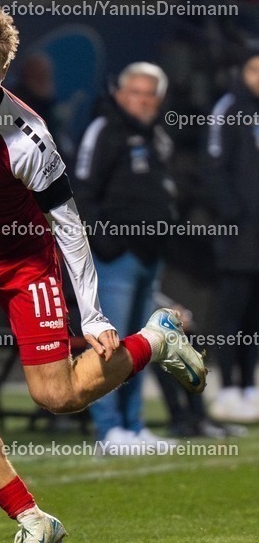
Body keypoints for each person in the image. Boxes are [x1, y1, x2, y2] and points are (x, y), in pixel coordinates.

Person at [0, 3, 206, 543]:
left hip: (20, 265)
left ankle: (154, 340)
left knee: (57, 396)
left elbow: (67, 222)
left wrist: (94, 315)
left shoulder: (26, 136)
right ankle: (33, 518)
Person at [73, 62, 180, 452]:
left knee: (141, 345)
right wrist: (104, 243)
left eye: (149, 93)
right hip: (115, 257)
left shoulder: (156, 137)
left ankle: (133, 426)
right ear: (119, 94)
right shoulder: (103, 130)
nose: (142, 100)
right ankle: (109, 429)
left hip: (149, 256)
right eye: (135, 92)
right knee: (109, 346)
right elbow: (81, 190)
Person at [205, 47, 259, 423]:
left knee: (255, 312)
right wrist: (234, 214)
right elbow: (214, 168)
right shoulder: (227, 108)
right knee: (232, 310)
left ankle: (250, 385)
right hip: (239, 231)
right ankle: (226, 388)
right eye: (255, 69)